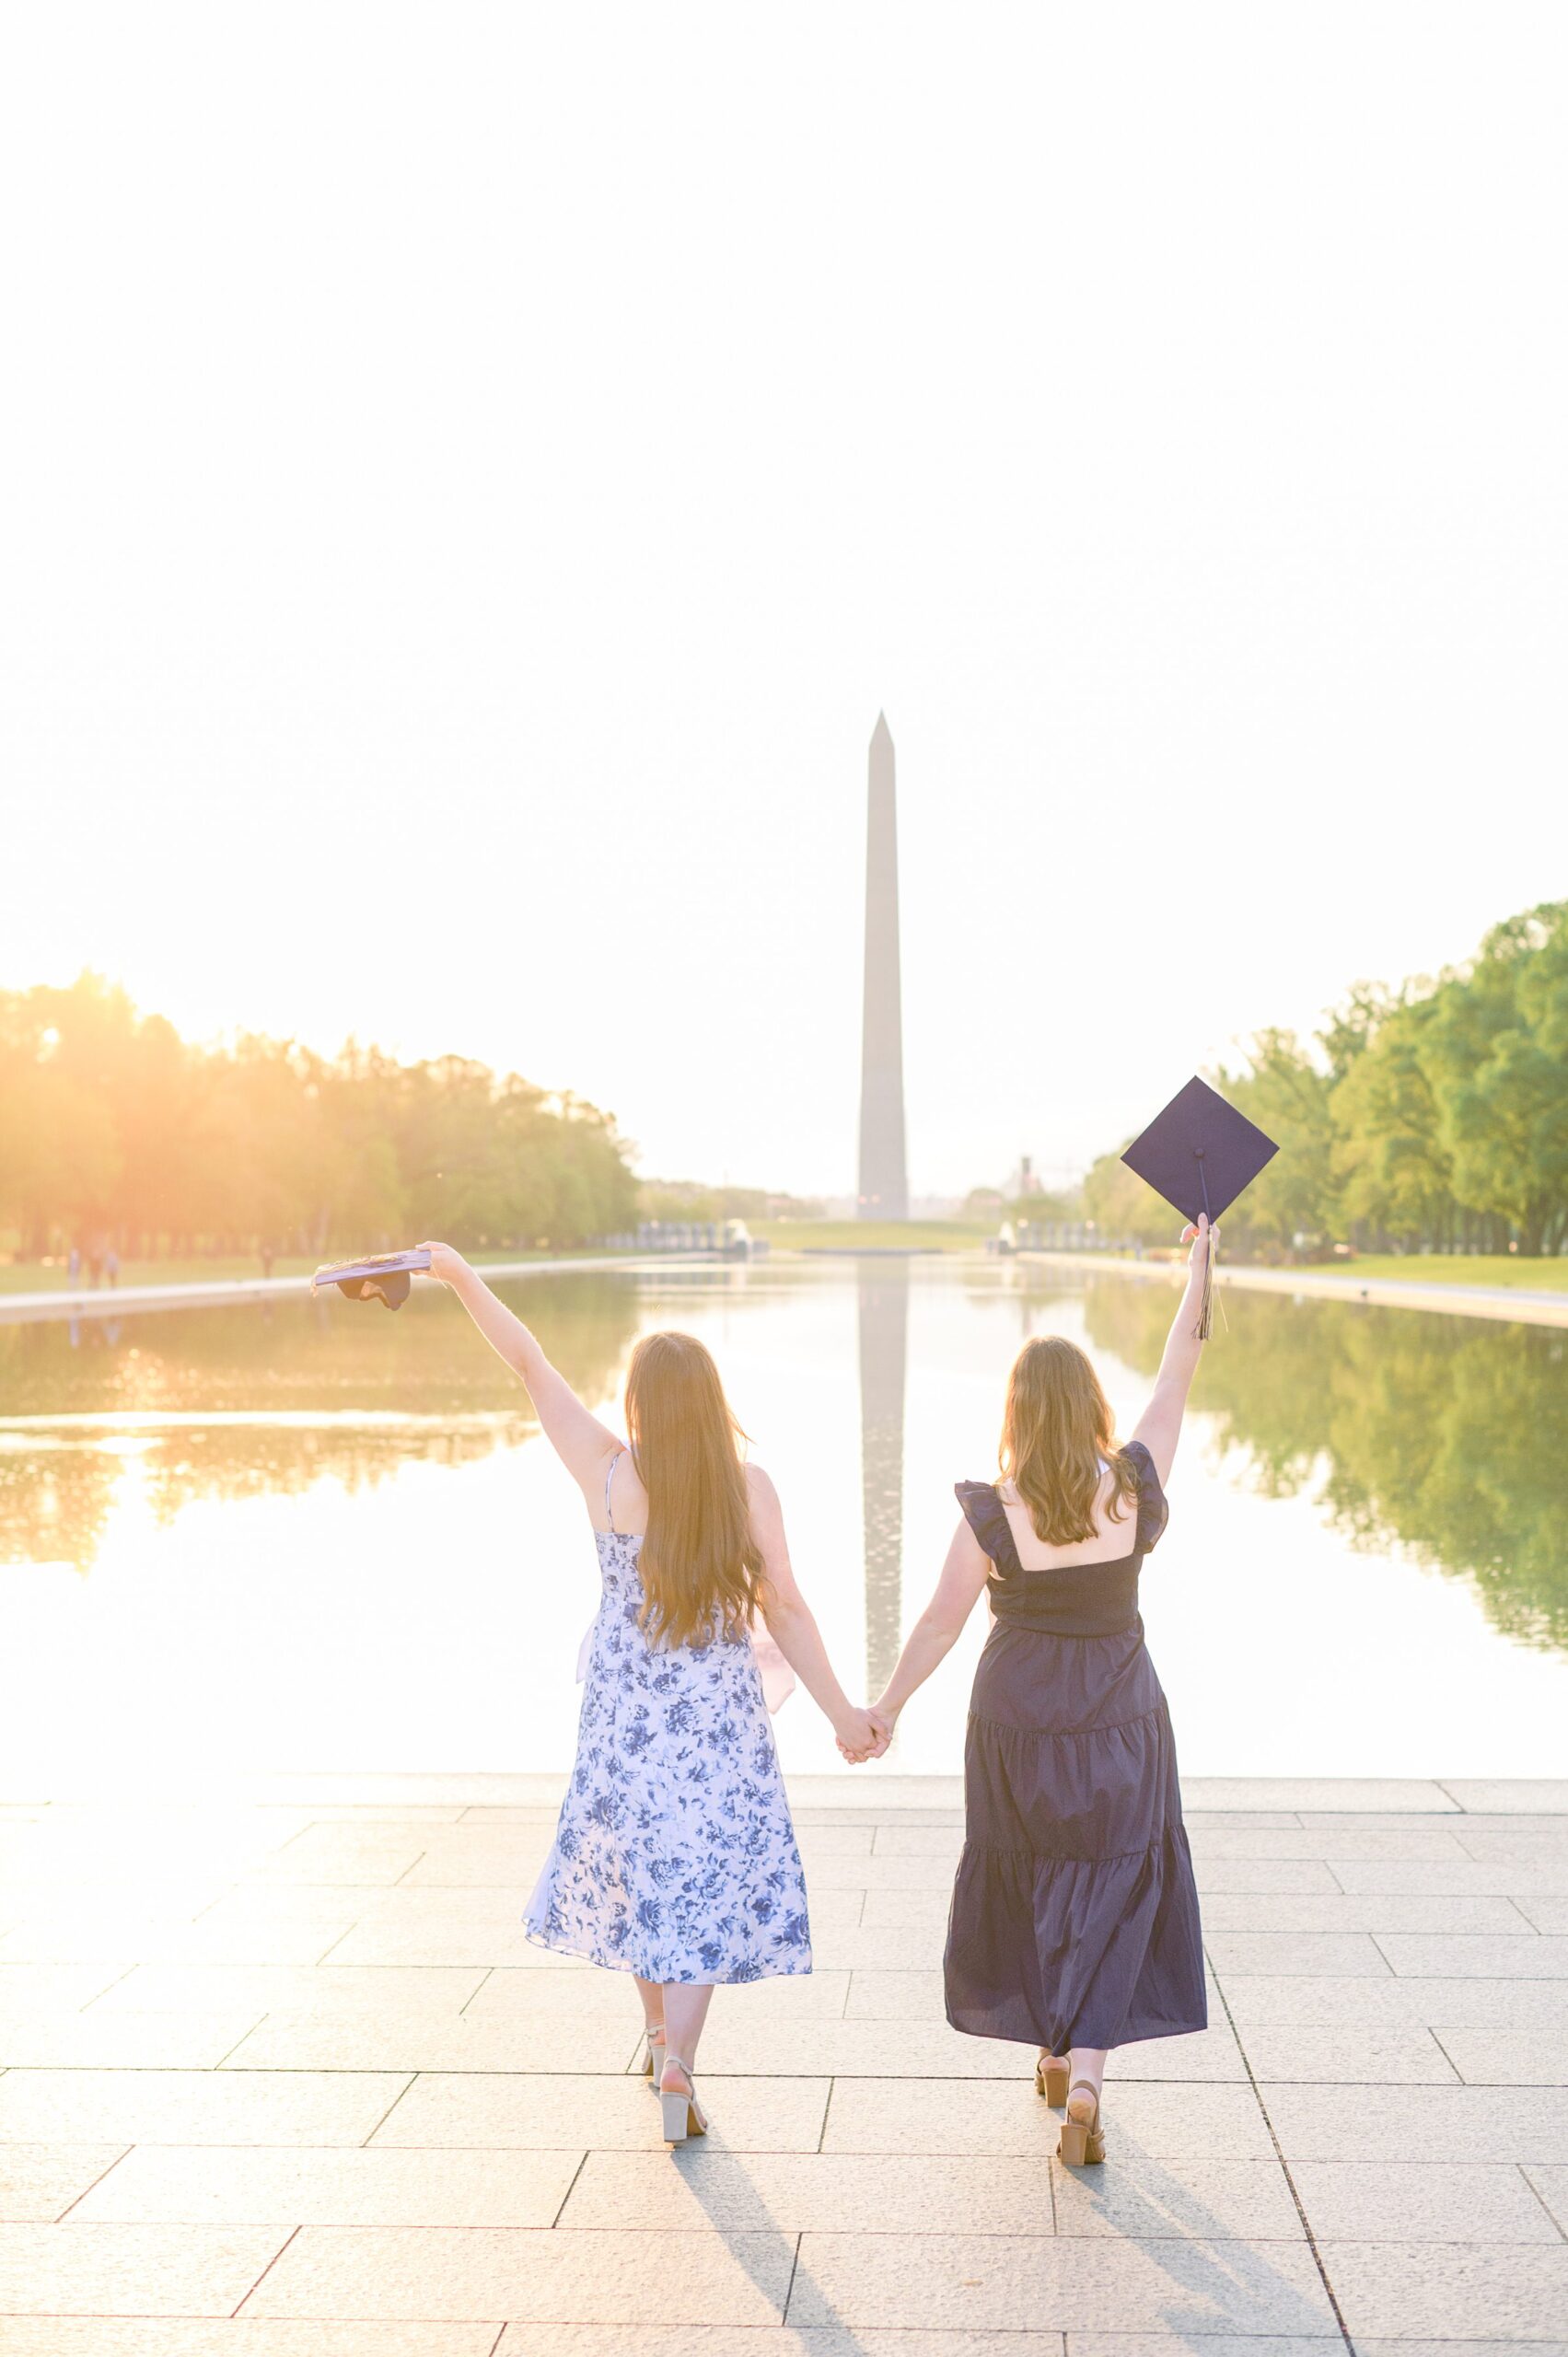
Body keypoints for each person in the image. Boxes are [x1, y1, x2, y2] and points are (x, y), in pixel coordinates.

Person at [418, 1242, 881, 2144]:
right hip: (713, 1719)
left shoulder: (605, 1473)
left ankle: (658, 2030)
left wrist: (458, 1273)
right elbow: (783, 1606)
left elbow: (527, 1360)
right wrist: (843, 1716)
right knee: (698, 1887)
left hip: (624, 1716)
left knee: (639, 1878)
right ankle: (679, 2060)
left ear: (638, 1402)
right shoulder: (746, 1488)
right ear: (711, 1404)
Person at [866, 1215, 1215, 2168]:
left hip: (1015, 1718)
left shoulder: (994, 1509)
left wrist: (886, 1706)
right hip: (1119, 1713)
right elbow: (1178, 1372)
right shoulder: (1131, 1487)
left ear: (1016, 1410)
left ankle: (1053, 2054)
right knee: (1114, 1879)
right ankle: (1088, 2076)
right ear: (1090, 1402)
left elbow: (939, 1620)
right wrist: (1197, 1267)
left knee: (1030, 1873)